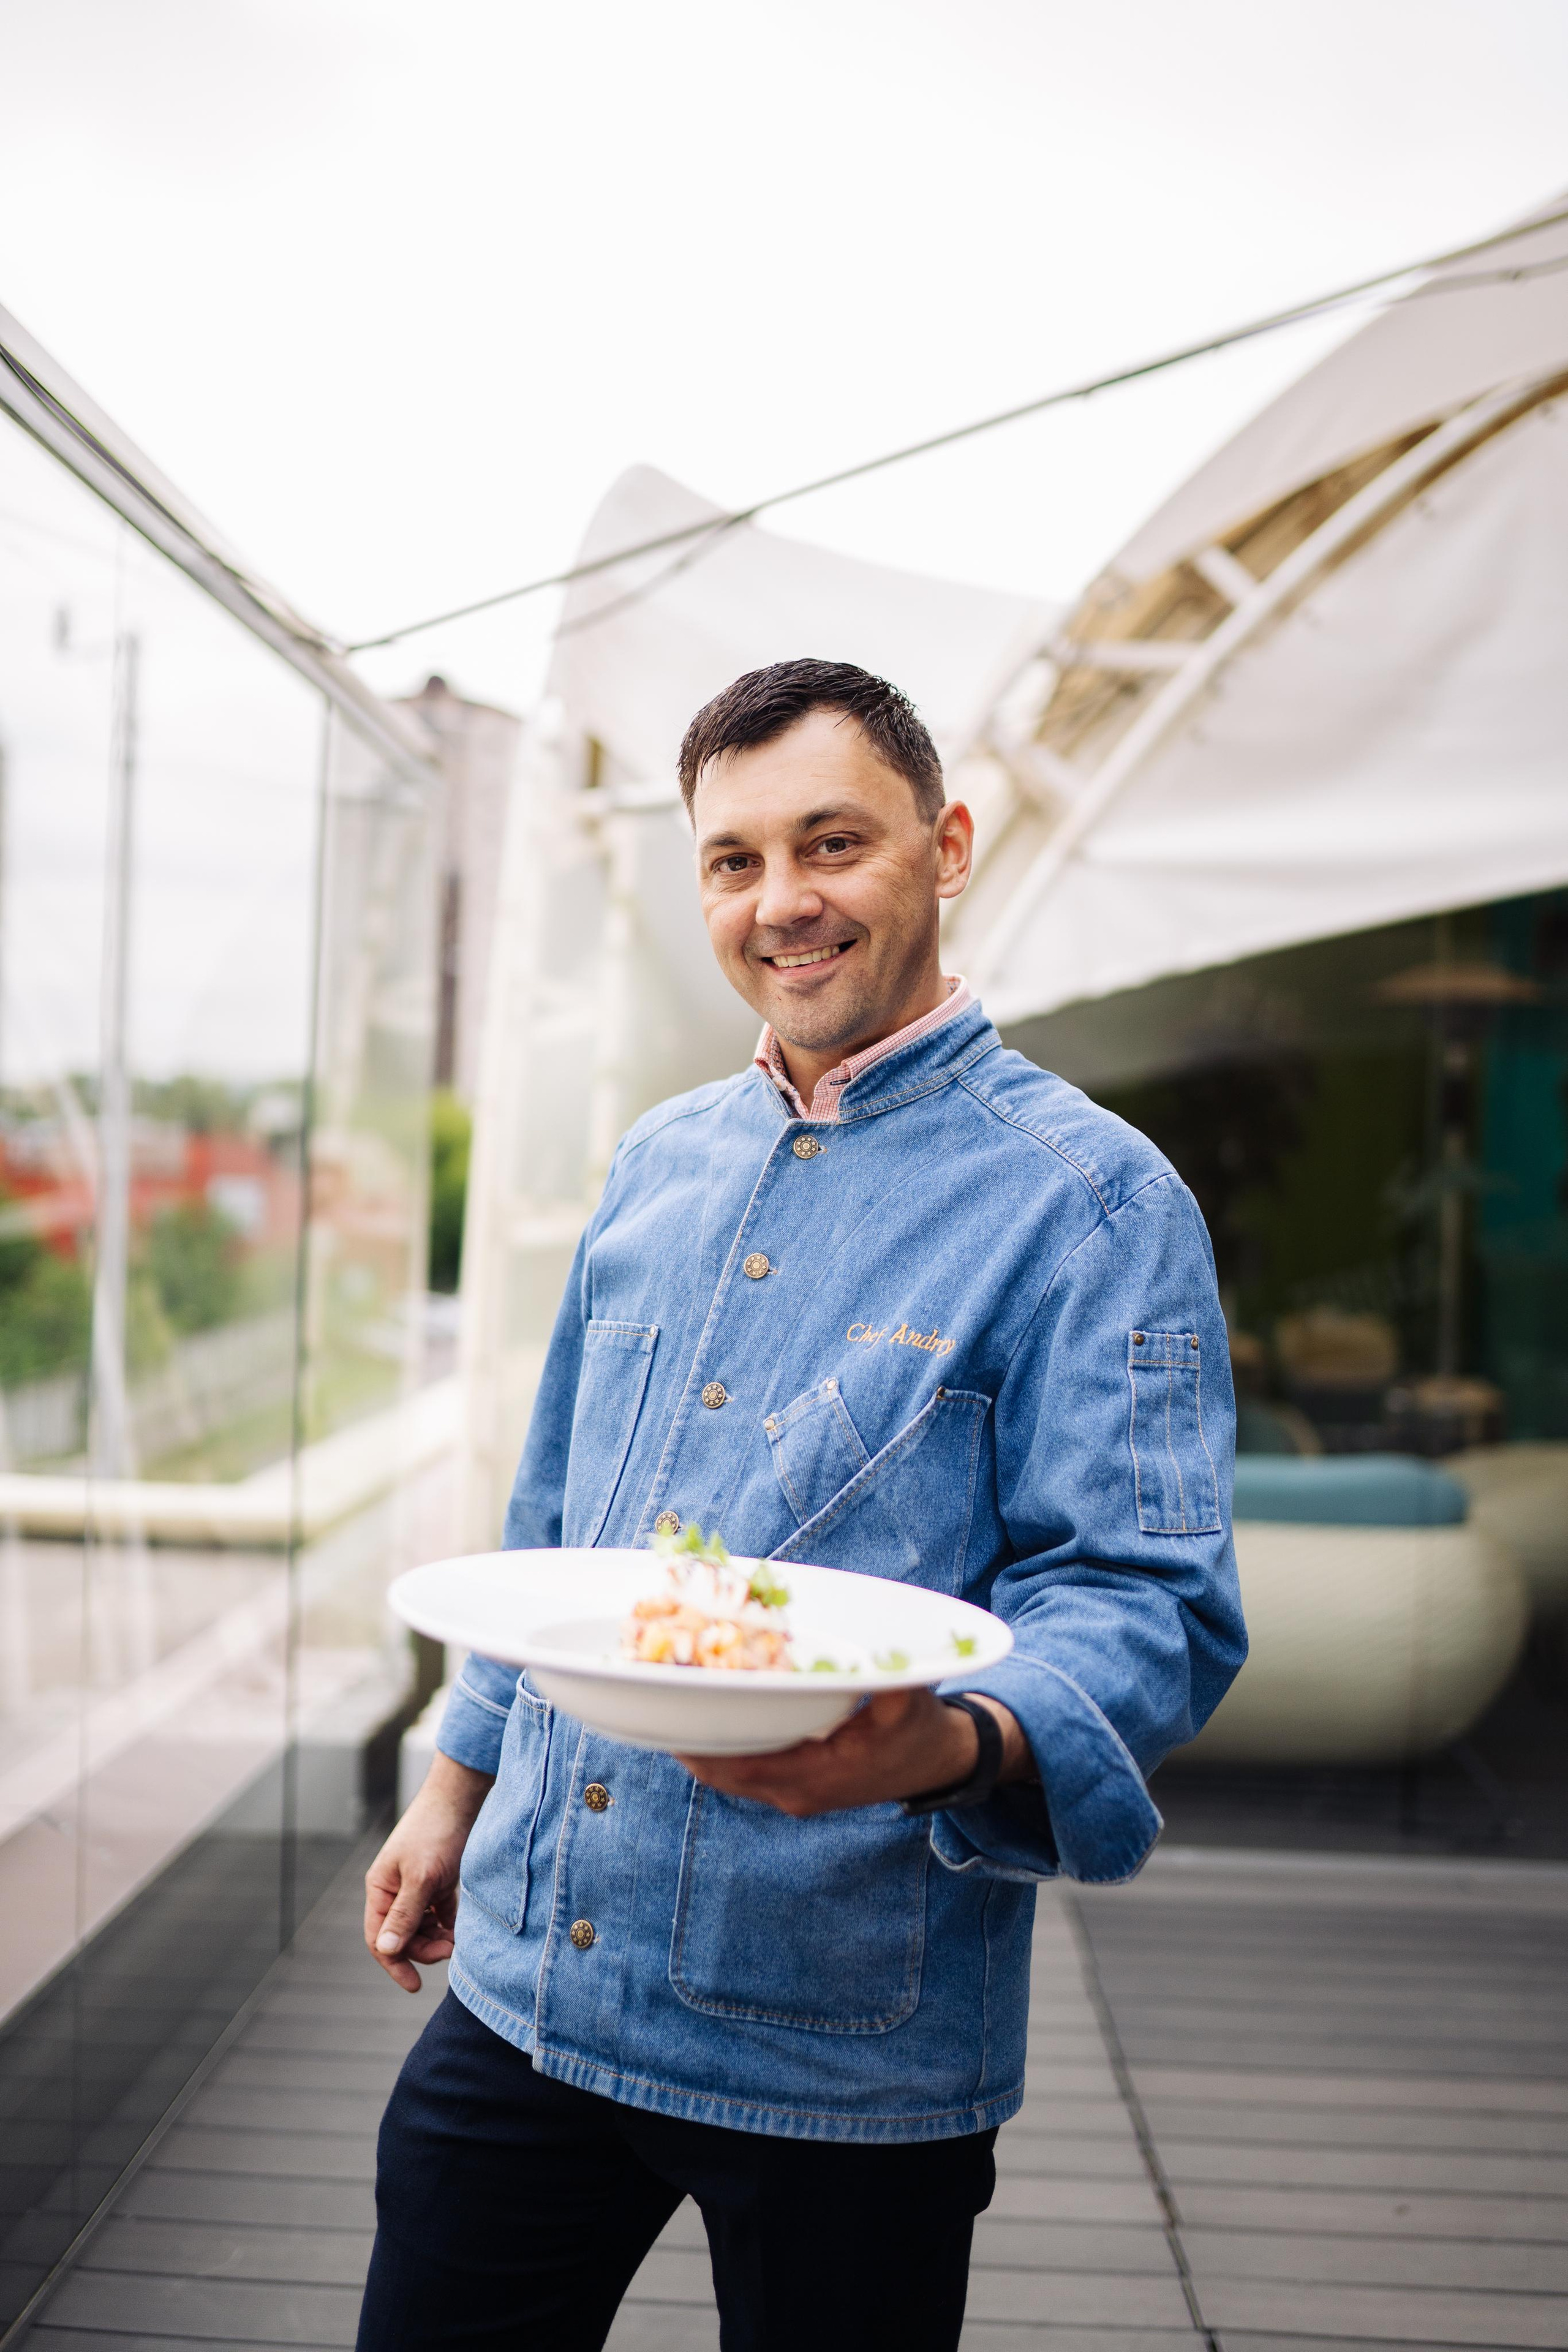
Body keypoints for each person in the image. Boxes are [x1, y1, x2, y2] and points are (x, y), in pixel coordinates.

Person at [358, 658, 1245, 2351]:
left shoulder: (1096, 1205)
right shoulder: (657, 1161)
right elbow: (560, 1512)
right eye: (734, 858)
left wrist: (956, 1744)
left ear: (949, 842)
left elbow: (1146, 1600)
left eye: (833, 842)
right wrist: (455, 1781)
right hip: (537, 1967)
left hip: (848, 2037)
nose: (784, 904)